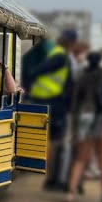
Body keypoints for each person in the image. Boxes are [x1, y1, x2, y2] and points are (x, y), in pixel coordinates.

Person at [62, 52, 102, 202]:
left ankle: (70, 194)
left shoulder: (81, 78)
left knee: (80, 159)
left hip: (85, 119)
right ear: (101, 62)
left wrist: (73, 129)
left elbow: (74, 104)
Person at [27, 29, 77, 189]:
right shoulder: (60, 56)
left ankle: (52, 177)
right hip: (51, 102)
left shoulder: (57, 54)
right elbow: (36, 72)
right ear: (71, 43)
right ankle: (51, 178)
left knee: (52, 141)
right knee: (53, 142)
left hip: (48, 101)